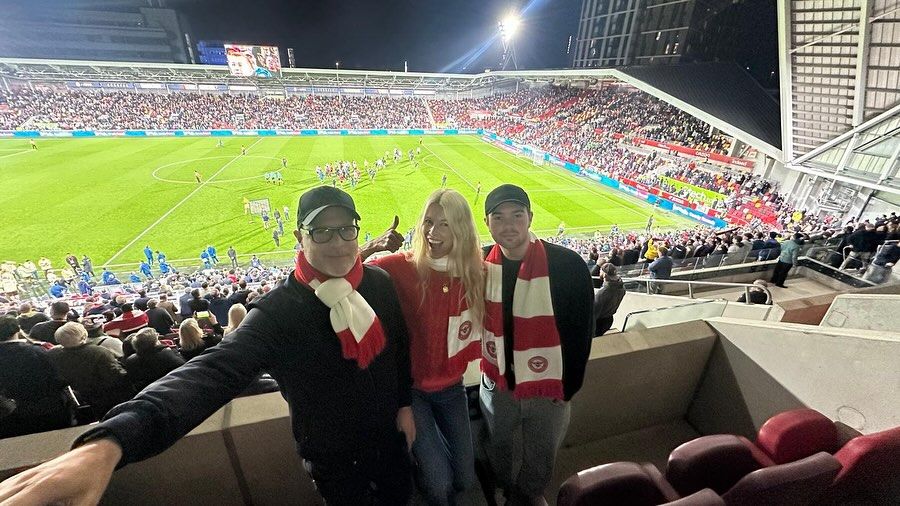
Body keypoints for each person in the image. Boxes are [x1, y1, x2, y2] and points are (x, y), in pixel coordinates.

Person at [0, 186, 415, 506]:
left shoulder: (376, 283)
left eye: (347, 230)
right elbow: (210, 373)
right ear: (299, 237)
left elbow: (397, 350)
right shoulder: (278, 311)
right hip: (334, 460)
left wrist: (405, 406)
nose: (338, 242)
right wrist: (111, 443)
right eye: (321, 231)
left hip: (391, 441)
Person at [363, 190, 483, 505]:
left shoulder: (475, 271)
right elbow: (345, 270)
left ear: (461, 228)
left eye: (445, 224)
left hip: (453, 389)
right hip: (412, 393)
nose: (433, 233)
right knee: (439, 486)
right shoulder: (401, 266)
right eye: (428, 222)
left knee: (464, 479)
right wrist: (373, 245)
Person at [479, 184, 594, 504]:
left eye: (517, 215)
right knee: (497, 442)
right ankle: (501, 485)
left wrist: (568, 387)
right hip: (498, 381)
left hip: (548, 387)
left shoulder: (568, 265)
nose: (509, 225)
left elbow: (580, 333)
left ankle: (526, 495)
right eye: (498, 217)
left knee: (542, 452)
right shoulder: (479, 264)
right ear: (487, 223)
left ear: (530, 217)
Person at [0, 316, 73, 439]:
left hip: (14, 413)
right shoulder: (36, 352)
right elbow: (58, 379)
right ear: (18, 329)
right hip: (49, 408)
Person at [46, 322, 132, 418]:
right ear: (84, 335)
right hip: (101, 403)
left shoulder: (51, 355)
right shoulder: (99, 352)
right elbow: (117, 377)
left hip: (69, 404)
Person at [593, 263, 626, 336]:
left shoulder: (604, 292)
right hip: (609, 320)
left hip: (599, 322)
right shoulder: (622, 288)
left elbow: (594, 313)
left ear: (604, 274)